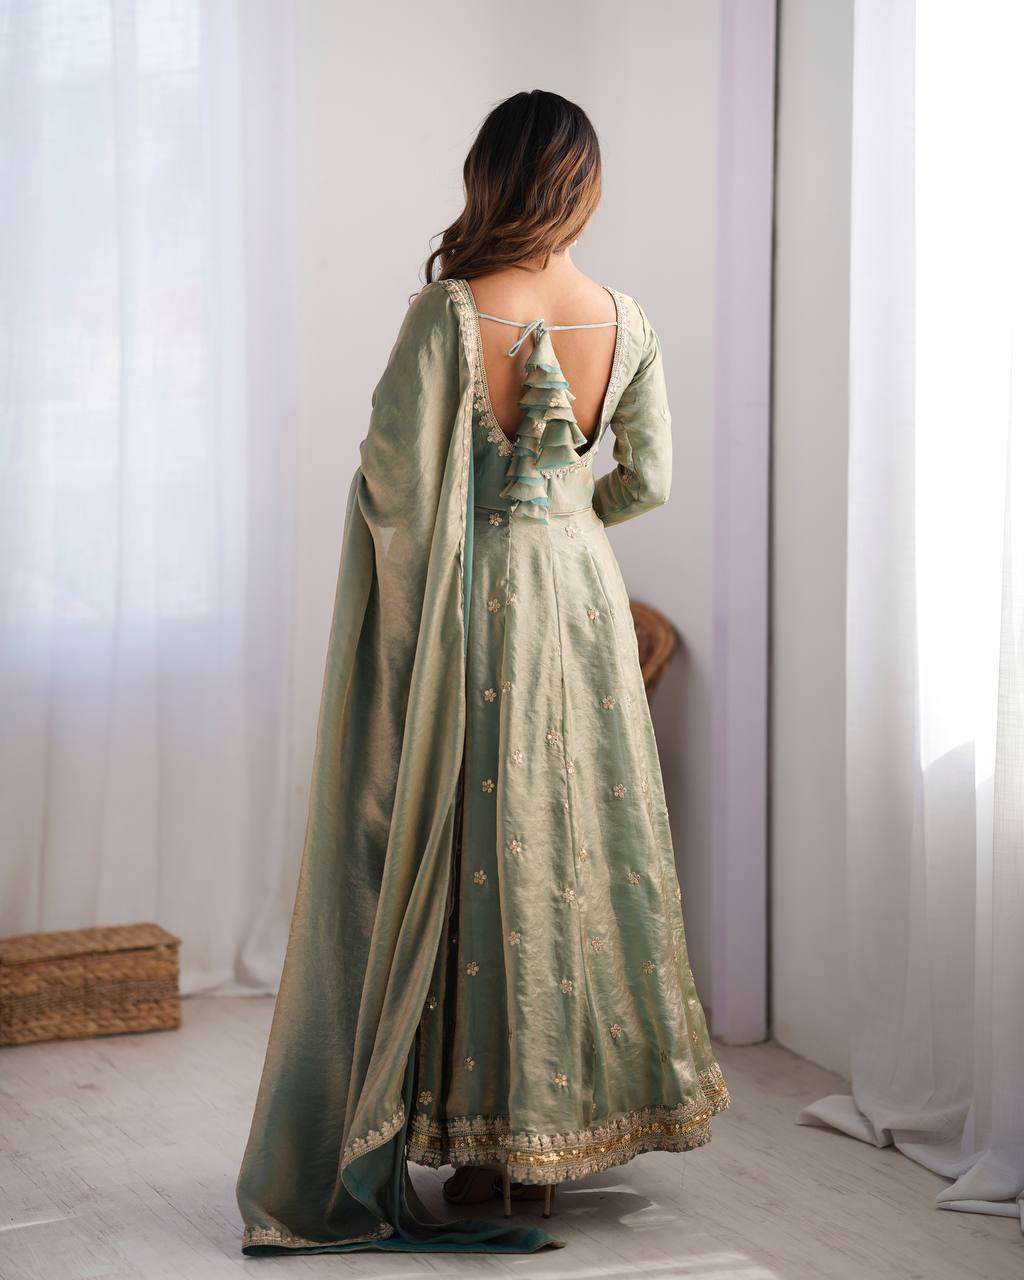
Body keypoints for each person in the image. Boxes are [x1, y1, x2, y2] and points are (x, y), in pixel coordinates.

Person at [236, 88, 729, 1257]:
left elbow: (393, 485)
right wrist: (569, 514)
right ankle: (553, 1139)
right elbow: (650, 478)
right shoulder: (625, 319)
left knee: (475, 847)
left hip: (479, 604)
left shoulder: (449, 314)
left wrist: (481, 514)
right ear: (582, 187)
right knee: (578, 844)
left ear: (488, 178)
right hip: (583, 598)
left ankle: (484, 1137)